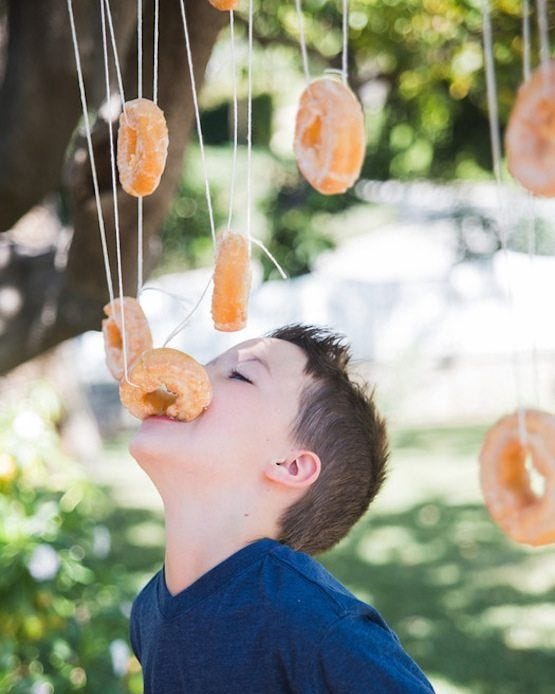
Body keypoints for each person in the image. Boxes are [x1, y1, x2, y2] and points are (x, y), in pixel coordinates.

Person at [129, 323, 434, 693]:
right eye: (206, 363)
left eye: (240, 375)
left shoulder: (316, 624)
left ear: (290, 465)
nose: (192, 375)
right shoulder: (149, 610)